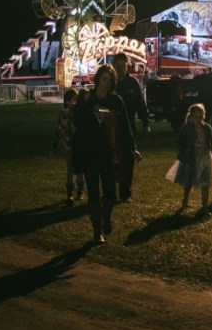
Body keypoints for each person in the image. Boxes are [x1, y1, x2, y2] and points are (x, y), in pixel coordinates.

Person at [73, 64, 141, 245]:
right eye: (104, 79)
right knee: (93, 191)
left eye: (110, 80)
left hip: (109, 152)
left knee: (110, 192)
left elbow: (125, 126)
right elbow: (77, 122)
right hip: (90, 152)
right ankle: (98, 232)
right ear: (97, 78)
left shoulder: (116, 100)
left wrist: (132, 148)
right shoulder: (86, 97)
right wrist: (85, 104)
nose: (106, 83)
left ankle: (106, 219)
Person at [174, 103, 212, 217]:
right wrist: (186, 149)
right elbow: (178, 141)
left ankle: (205, 208)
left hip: (205, 157)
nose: (199, 119)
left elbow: (211, 140)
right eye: (196, 117)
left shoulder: (207, 127)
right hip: (191, 158)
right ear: (191, 117)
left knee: (205, 183)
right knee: (188, 182)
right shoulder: (186, 128)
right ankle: (185, 202)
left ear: (204, 116)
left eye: (201, 117)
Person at [112, 52, 149, 203]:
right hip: (112, 126)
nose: (121, 68)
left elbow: (140, 103)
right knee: (112, 159)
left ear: (127, 65)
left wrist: (145, 121)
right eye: (118, 65)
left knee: (128, 159)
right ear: (114, 65)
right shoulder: (110, 82)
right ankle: (111, 191)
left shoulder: (132, 83)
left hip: (129, 126)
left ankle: (125, 192)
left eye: (124, 65)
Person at [53, 88, 84, 206]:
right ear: (67, 101)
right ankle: (70, 193)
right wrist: (56, 140)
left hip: (78, 143)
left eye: (78, 99)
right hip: (68, 143)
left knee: (79, 168)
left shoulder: (79, 111)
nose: (77, 102)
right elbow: (59, 126)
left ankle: (80, 190)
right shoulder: (64, 111)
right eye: (75, 99)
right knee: (70, 168)